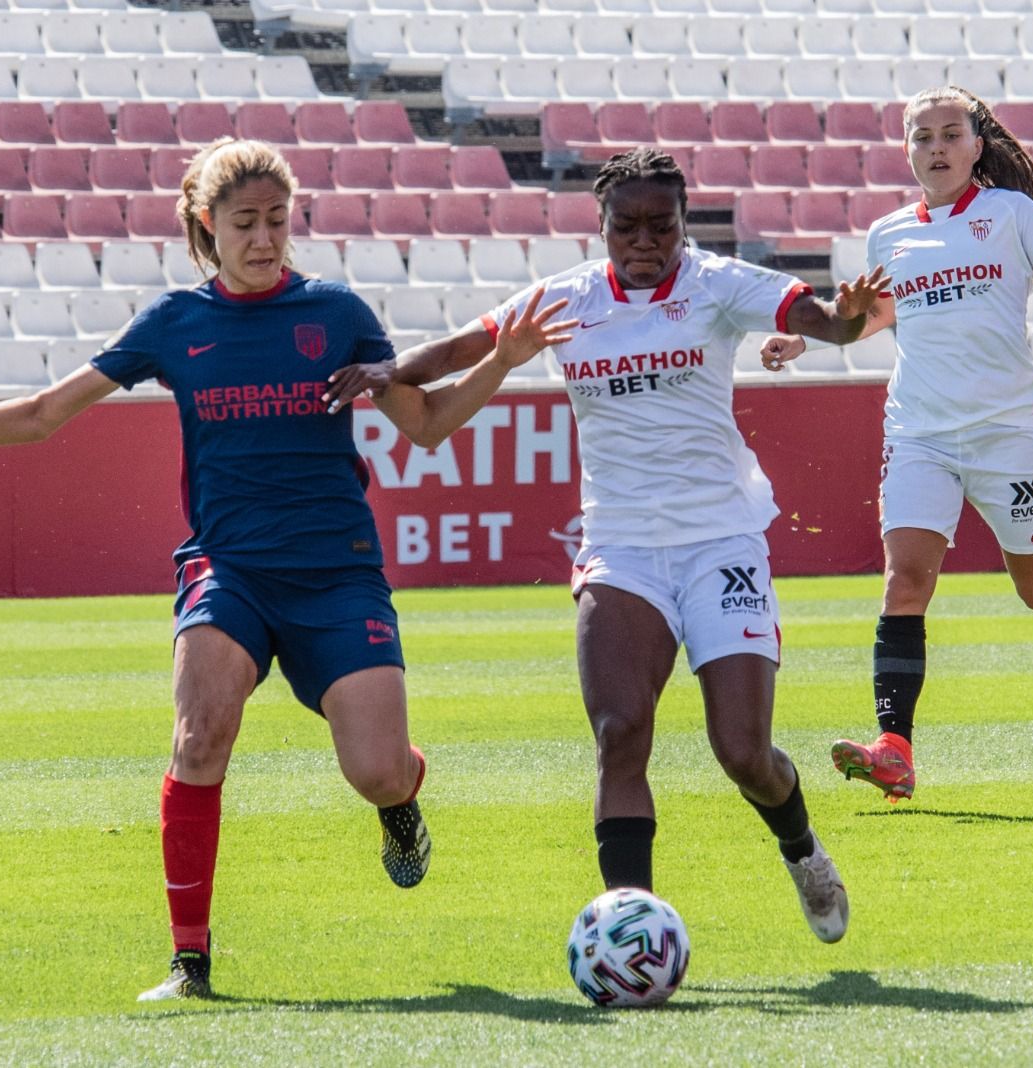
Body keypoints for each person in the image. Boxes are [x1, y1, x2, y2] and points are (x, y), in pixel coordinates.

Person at [0, 137, 573, 1000]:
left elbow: (428, 424)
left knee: (375, 771)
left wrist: (502, 362)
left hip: (337, 573)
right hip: (230, 570)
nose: (264, 238)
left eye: (277, 221)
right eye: (245, 222)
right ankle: (190, 961)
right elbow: (42, 414)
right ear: (206, 226)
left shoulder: (337, 314)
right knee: (198, 739)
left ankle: (402, 795)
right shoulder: (174, 324)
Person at [334, 147, 888, 945]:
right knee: (620, 734)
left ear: (683, 224)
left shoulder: (718, 284)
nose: (644, 241)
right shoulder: (568, 298)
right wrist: (386, 370)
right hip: (621, 547)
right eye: (626, 226)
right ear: (601, 226)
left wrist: (849, 319)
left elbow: (826, 322)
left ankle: (802, 849)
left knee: (742, 752)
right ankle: (633, 936)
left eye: (661, 225)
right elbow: (459, 350)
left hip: (720, 541)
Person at [760, 86, 1033, 805]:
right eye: (922, 137)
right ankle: (895, 749)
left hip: (1007, 434)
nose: (936, 148)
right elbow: (872, 318)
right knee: (905, 583)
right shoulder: (888, 234)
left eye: (950, 135)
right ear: (906, 151)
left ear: (977, 146)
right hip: (920, 433)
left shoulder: (1012, 214)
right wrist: (807, 337)